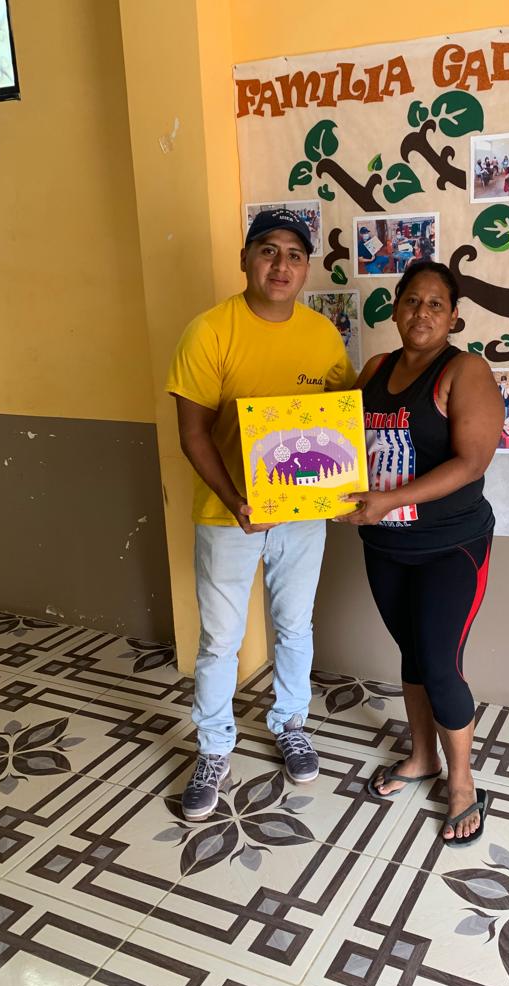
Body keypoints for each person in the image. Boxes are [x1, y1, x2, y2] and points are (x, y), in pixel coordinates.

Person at [166, 208, 356, 821]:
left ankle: (291, 723)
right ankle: (213, 747)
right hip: (228, 517)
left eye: (295, 255)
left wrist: (345, 489)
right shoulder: (209, 331)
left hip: (303, 517)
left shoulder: (322, 335)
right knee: (220, 640)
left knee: (295, 626)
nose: (281, 265)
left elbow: (340, 421)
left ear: (307, 268)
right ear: (246, 259)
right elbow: (193, 434)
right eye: (269, 250)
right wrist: (236, 502)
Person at [335, 262, 503, 846]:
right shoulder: (375, 369)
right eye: (411, 300)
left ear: (454, 316)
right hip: (384, 544)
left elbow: (472, 462)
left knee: (439, 662)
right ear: (395, 307)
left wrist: (390, 499)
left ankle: (462, 783)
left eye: (435, 304)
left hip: (450, 546)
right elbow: (340, 440)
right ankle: (423, 757)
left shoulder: (464, 370)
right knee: (412, 653)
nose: (422, 312)